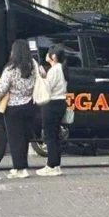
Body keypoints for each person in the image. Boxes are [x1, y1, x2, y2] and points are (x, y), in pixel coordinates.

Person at [0, 39, 38, 179]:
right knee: (25, 137)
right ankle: (23, 167)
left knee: (15, 139)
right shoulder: (33, 65)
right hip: (30, 104)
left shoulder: (10, 69)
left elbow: (2, 88)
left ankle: (19, 168)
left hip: (13, 108)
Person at [37, 45, 69, 177]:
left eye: (48, 53)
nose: (46, 55)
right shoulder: (61, 69)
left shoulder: (54, 70)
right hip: (61, 102)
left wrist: (41, 77)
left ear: (53, 56)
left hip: (51, 103)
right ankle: (56, 165)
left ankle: (50, 165)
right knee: (55, 135)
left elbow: (47, 87)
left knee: (49, 135)